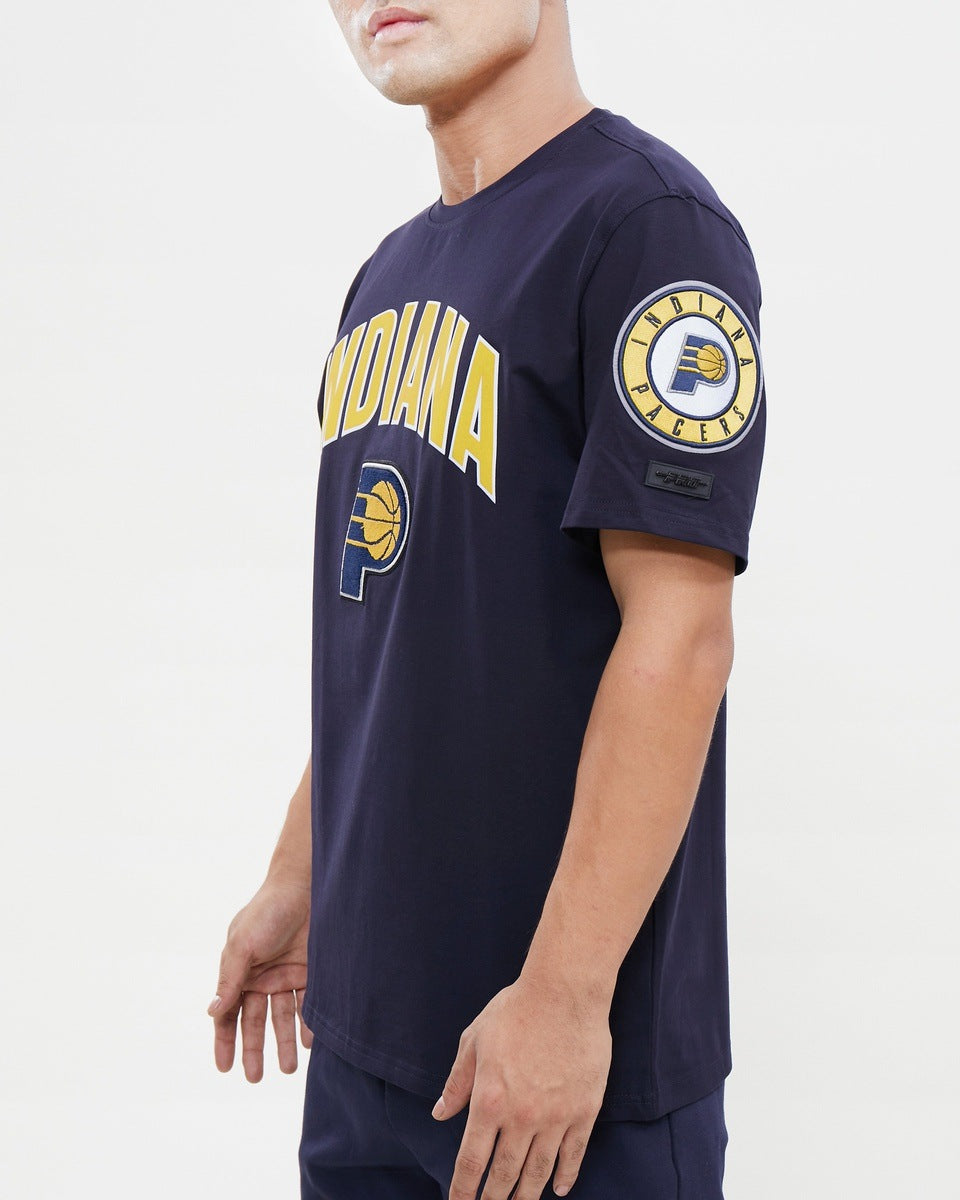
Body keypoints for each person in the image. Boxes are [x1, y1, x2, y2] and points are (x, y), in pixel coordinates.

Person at [208, 2, 766, 1197]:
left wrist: (564, 995)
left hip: (560, 1075)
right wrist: (301, 878)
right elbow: (388, 625)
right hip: (364, 1041)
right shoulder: (387, 276)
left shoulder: (646, 229)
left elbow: (680, 636)